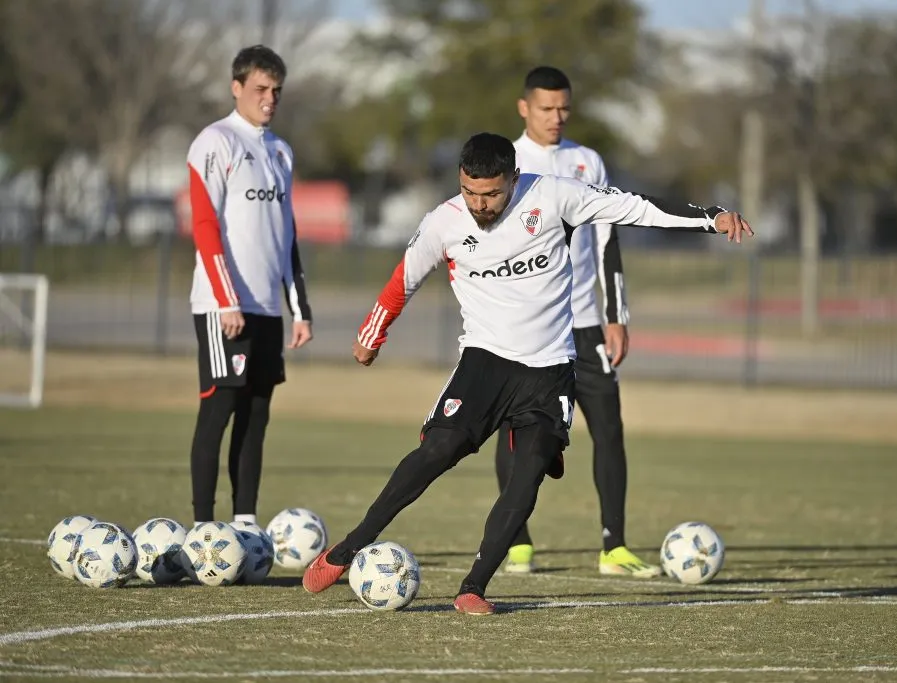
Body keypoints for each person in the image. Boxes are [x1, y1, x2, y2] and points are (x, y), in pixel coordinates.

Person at [302, 132, 751, 615]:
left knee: (527, 474)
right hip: (484, 364)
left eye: (492, 194)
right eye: (471, 192)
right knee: (438, 450)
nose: (481, 204)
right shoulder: (444, 222)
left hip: (549, 372)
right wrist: (372, 335)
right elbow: (402, 281)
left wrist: (711, 218)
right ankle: (347, 548)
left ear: (514, 178)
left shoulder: (555, 196)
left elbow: (635, 207)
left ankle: (474, 586)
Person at [499, 65, 655, 577]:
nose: (556, 116)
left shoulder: (588, 161)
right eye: (546, 108)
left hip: (587, 323)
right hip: (529, 327)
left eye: (564, 107)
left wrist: (616, 315)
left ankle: (614, 545)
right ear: (525, 108)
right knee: (519, 433)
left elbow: (608, 237)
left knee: (609, 429)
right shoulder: (507, 161)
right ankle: (516, 539)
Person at [186, 45, 313, 527]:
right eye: (260, 89)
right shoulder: (214, 142)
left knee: (256, 418)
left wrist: (299, 309)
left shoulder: (281, 151)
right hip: (225, 307)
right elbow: (204, 225)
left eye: (276, 90)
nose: (269, 98)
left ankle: (245, 525)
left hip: (266, 310)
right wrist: (225, 299)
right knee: (218, 411)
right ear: (236, 87)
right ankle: (202, 528)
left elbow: (287, 235)